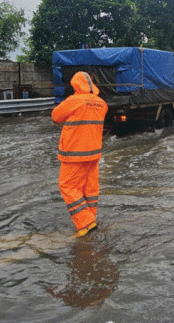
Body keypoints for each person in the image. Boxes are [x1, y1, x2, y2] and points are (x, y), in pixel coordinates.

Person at [52, 71, 108, 237]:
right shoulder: (102, 103)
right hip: (94, 154)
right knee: (89, 188)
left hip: (74, 154)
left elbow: (55, 116)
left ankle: (86, 223)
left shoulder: (74, 101)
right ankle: (91, 220)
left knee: (67, 186)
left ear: (75, 84)